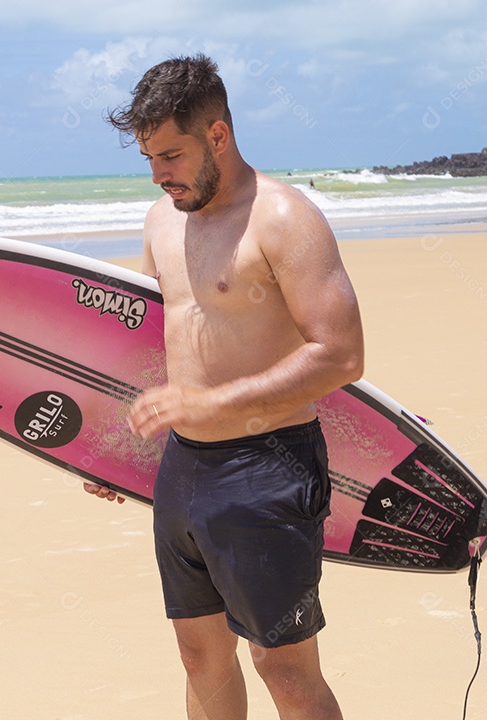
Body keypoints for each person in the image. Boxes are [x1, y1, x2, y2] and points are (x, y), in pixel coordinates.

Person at [84, 54, 364, 720]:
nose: (158, 175)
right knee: (199, 658)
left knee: (285, 670)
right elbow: (162, 343)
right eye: (149, 159)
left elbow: (341, 355)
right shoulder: (160, 220)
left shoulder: (283, 218)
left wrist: (213, 403)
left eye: (171, 155)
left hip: (268, 466)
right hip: (182, 467)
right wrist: (112, 446)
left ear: (218, 136)